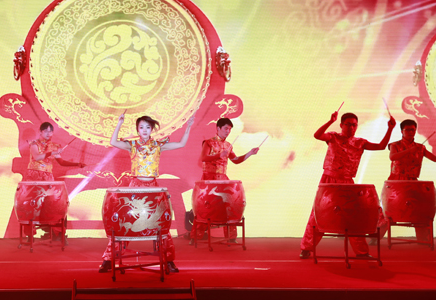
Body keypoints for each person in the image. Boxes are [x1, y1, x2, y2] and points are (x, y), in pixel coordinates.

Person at [99, 113, 195, 274]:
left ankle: (169, 261)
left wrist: (189, 127)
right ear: (137, 129)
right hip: (135, 187)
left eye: (148, 127)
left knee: (161, 225)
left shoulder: (158, 145)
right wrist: (119, 123)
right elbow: (113, 142)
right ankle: (108, 260)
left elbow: (181, 144)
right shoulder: (132, 144)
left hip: (153, 188)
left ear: (151, 129)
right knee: (125, 223)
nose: (144, 130)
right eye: (141, 127)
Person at [299, 111, 396, 259]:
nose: (351, 127)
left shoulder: (360, 142)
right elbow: (317, 135)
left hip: (347, 182)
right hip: (329, 181)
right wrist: (330, 121)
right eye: (348, 124)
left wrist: (390, 128)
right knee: (319, 214)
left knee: (353, 216)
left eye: (354, 125)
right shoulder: (333, 137)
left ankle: (361, 252)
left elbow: (381, 146)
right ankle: (306, 248)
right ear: (341, 125)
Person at [381, 119, 436, 242]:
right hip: (396, 182)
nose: (410, 132)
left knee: (417, 209)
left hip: (413, 182)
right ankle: (377, 235)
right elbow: (392, 157)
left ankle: (423, 239)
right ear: (402, 131)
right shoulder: (394, 145)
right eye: (407, 130)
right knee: (389, 210)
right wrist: (409, 151)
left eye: (413, 130)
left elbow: (434, 158)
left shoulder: (420, 147)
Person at [197, 117, 259, 242]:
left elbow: (235, 160)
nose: (228, 131)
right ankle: (196, 236)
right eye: (225, 128)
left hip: (223, 178)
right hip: (209, 179)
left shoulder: (228, 145)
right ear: (218, 128)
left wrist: (249, 153)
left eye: (229, 129)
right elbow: (203, 158)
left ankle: (231, 237)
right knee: (205, 208)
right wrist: (219, 155)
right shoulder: (208, 142)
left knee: (229, 206)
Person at [22, 122, 85, 240]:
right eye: (46, 131)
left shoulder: (54, 146)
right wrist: (52, 153)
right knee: (32, 204)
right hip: (34, 177)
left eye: (50, 131)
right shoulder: (34, 144)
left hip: (47, 178)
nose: (48, 133)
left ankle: (56, 232)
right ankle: (30, 234)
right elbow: (37, 157)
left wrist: (77, 164)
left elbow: (61, 162)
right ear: (40, 132)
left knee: (54, 203)